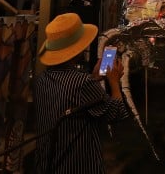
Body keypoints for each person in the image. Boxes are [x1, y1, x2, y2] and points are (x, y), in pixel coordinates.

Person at [33, 12, 128, 174]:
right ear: (78, 49)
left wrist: (94, 77)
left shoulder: (41, 81)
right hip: (78, 166)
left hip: (48, 165)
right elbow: (117, 113)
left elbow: (69, 96)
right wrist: (113, 82)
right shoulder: (82, 83)